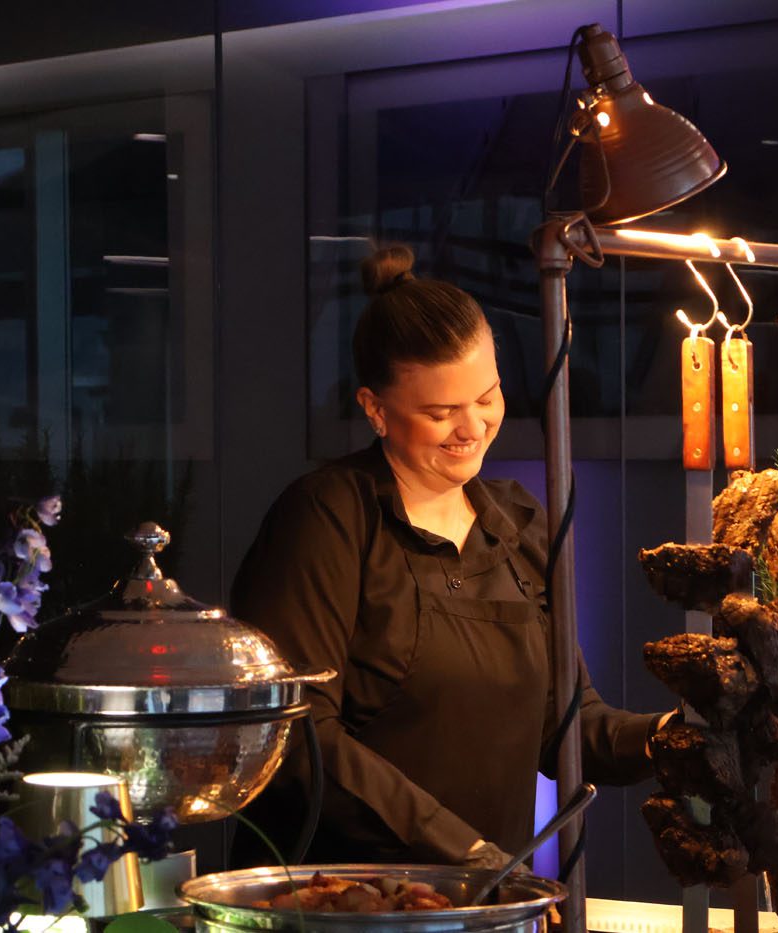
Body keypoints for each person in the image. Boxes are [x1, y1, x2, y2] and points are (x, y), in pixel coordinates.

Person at [230, 246, 664, 870]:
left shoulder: (518, 528)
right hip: (347, 899)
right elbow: (298, 733)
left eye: (486, 397)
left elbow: (568, 726)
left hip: (486, 903)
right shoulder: (327, 518)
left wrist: (670, 739)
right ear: (376, 410)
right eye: (441, 412)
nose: (474, 427)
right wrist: (462, 851)